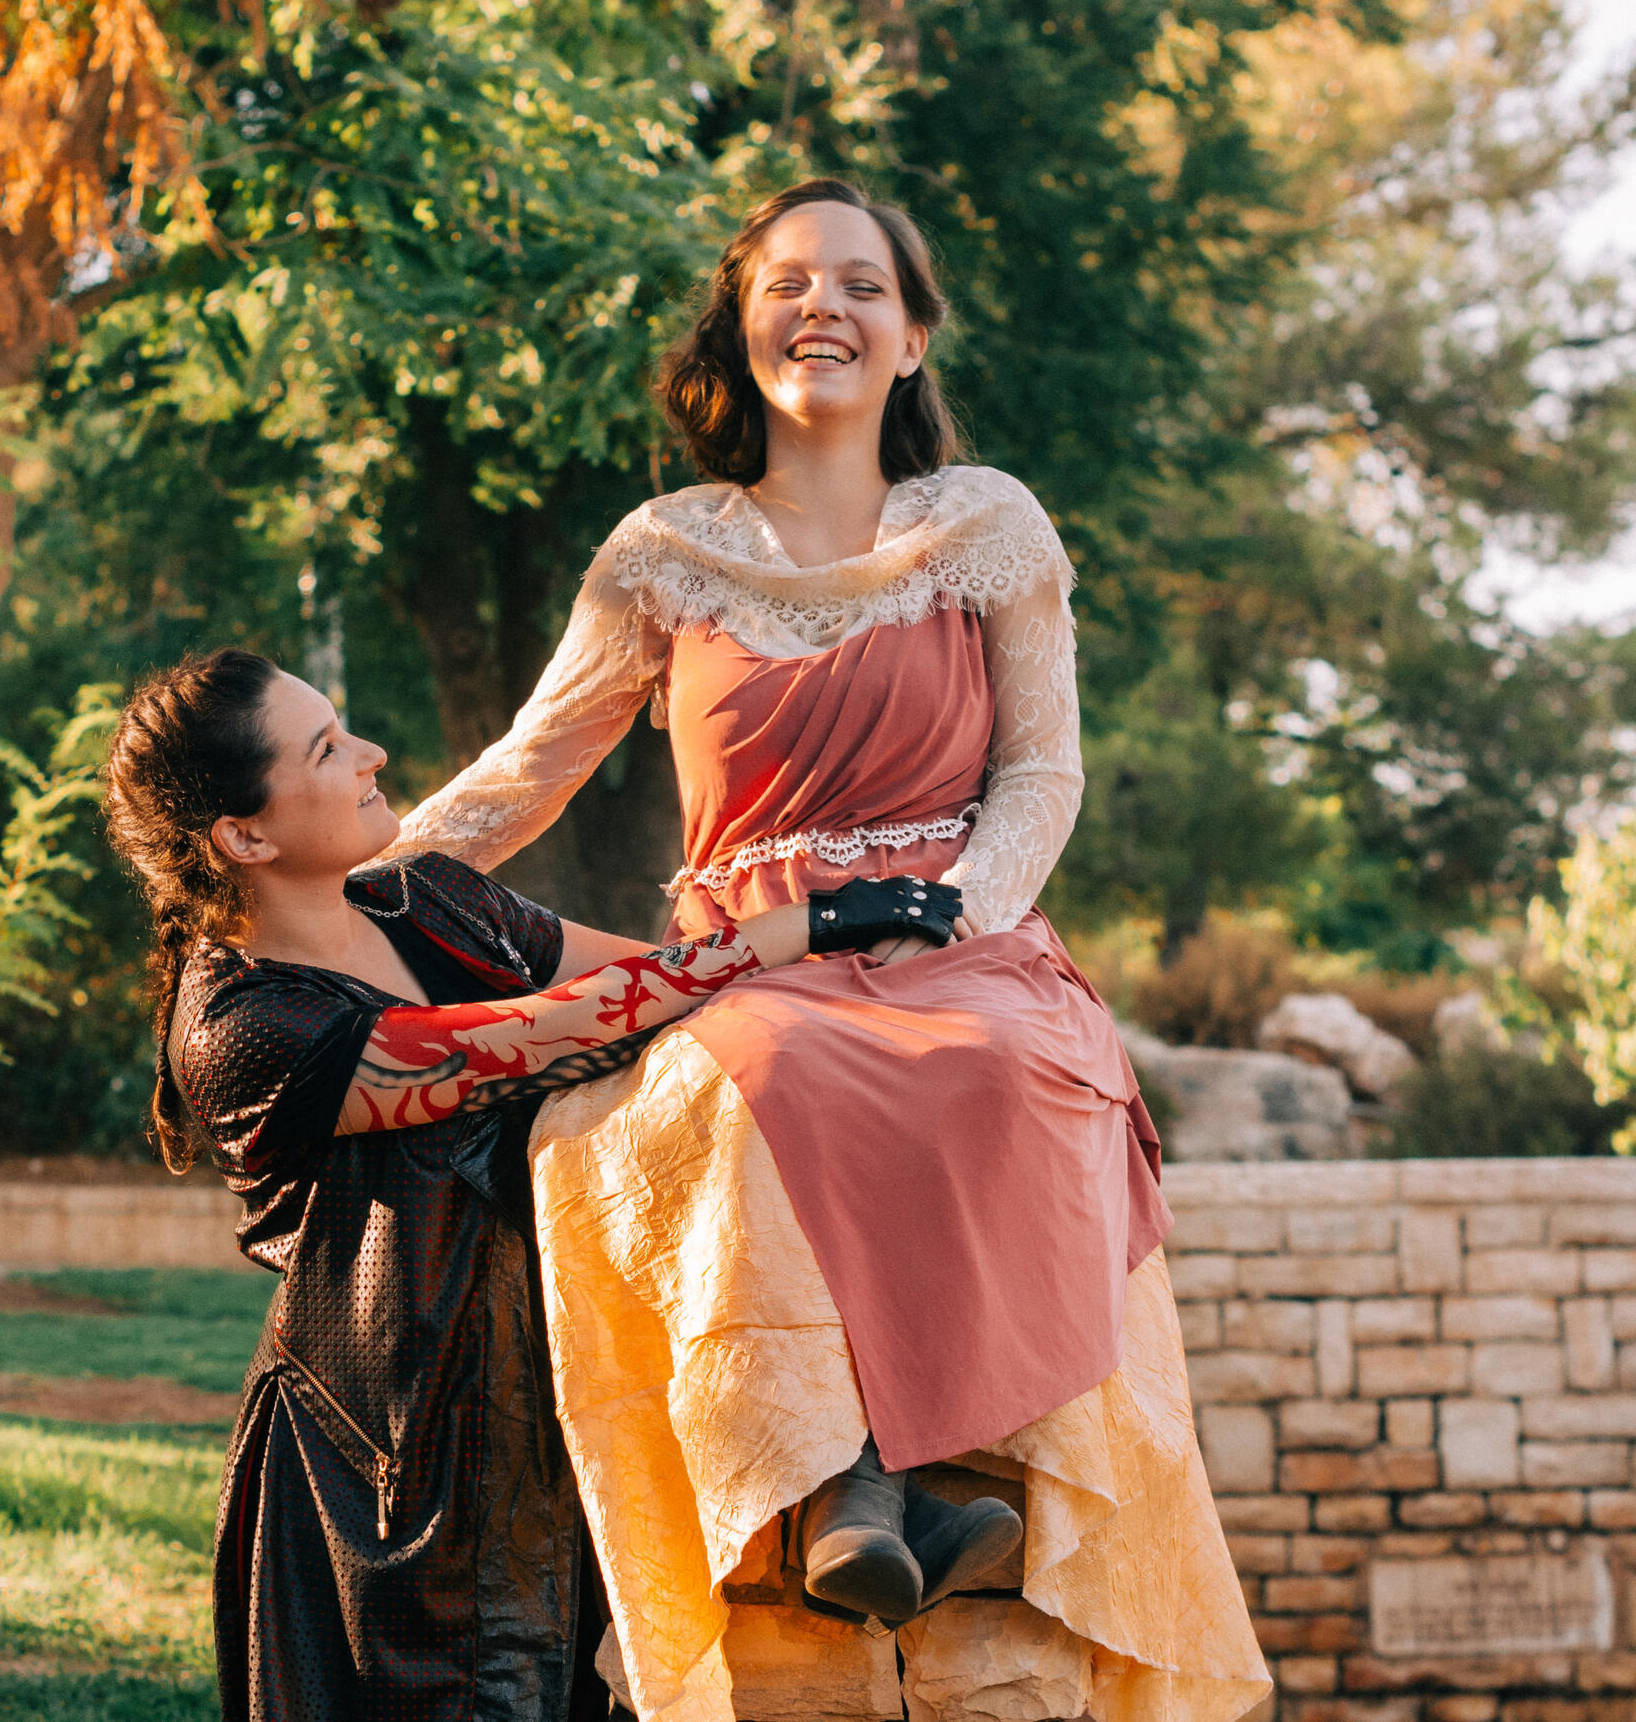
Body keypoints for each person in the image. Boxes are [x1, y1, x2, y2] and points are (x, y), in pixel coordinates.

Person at [385, 181, 1272, 1721]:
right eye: (788, 282)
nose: (824, 309)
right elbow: (530, 771)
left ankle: (918, 1483)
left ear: (913, 334)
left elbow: (1043, 772)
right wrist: (360, 878)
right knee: (761, 1066)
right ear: (741, 327)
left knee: (1006, 1065)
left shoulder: (987, 523)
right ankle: (857, 1485)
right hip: (757, 952)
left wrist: (967, 916)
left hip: (962, 929)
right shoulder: (665, 552)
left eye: (862, 286)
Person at [98, 647, 976, 1722]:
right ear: (245, 835)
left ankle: (856, 1477)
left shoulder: (433, 902)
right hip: (390, 1480)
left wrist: (849, 973)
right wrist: (806, 924)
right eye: (327, 748)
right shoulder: (243, 1027)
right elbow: (532, 1033)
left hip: (558, 1418)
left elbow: (661, 987)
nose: (371, 752)